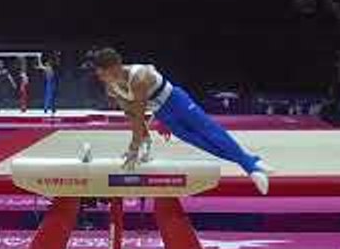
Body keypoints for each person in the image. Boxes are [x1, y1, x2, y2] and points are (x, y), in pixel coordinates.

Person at [90, 48, 271, 194]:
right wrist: (145, 140)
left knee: (210, 132)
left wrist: (133, 149)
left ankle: (250, 167)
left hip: (176, 101)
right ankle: (252, 163)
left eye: (100, 71)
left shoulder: (138, 77)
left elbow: (138, 114)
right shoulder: (111, 88)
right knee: (201, 142)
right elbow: (131, 115)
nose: (98, 75)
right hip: (162, 113)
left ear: (113, 67)